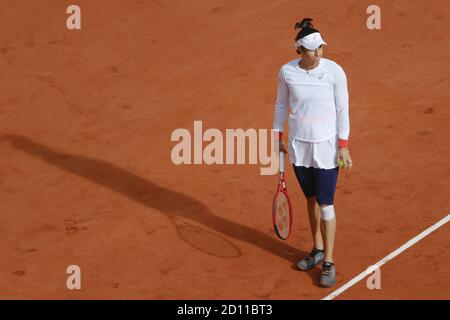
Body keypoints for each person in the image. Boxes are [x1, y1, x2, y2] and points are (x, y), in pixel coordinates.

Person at [273, 18, 353, 287]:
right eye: (312, 48)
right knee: (310, 198)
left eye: (320, 47)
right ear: (299, 49)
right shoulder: (286, 72)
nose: (318, 52)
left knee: (325, 203)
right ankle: (317, 249)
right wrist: (277, 136)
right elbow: (281, 105)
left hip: (327, 147)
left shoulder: (335, 72)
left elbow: (343, 109)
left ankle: (328, 261)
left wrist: (343, 146)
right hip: (299, 146)